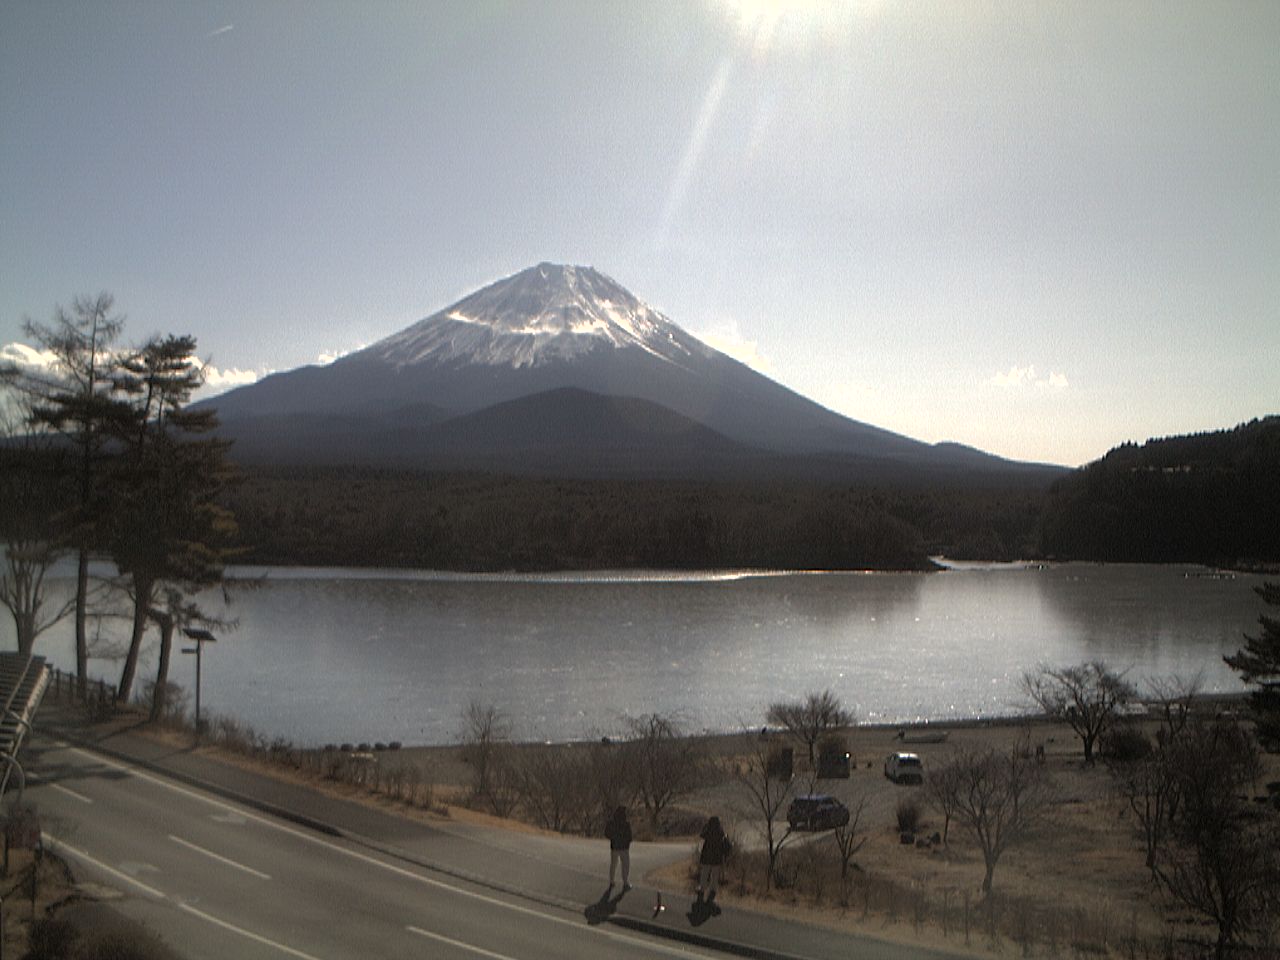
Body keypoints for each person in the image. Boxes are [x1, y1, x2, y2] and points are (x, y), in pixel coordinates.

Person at [697, 815, 730, 902]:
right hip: (716, 857)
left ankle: (702, 889)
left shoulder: (708, 831)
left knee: (704, 874)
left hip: (707, 857)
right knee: (714, 876)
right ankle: (713, 890)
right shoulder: (720, 831)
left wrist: (705, 827)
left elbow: (701, 835)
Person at [605, 806, 632, 891]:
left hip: (615, 847)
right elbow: (630, 836)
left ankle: (612, 881)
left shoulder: (611, 823)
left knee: (613, 864)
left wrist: (613, 838)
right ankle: (625, 882)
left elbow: (606, 833)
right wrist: (627, 842)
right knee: (625, 865)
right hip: (624, 847)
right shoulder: (626, 824)